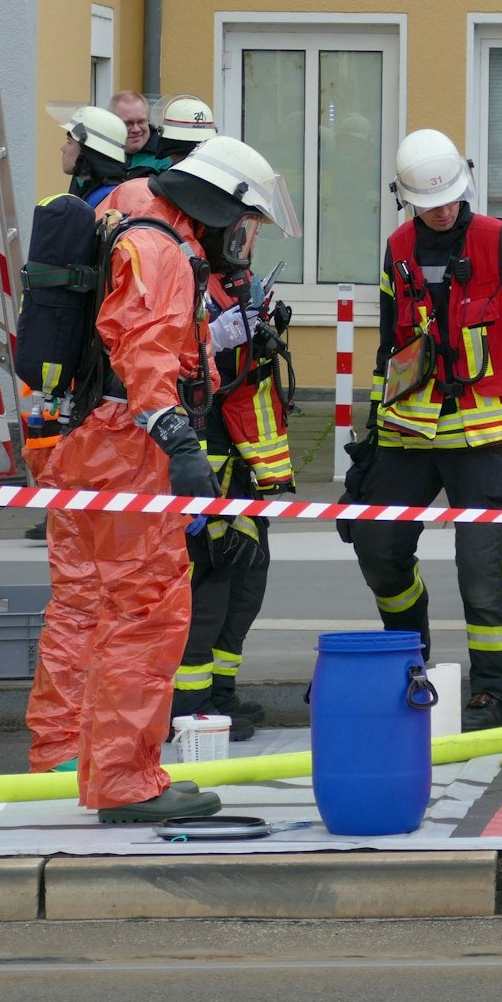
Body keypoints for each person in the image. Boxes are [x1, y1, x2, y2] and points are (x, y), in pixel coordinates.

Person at [43, 135, 299, 822]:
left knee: (84, 606)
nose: (240, 241)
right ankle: (125, 782)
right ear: (215, 207)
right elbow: (148, 357)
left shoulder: (130, 209)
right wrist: (180, 441)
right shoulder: (163, 255)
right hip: (127, 448)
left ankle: (66, 759)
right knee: (147, 611)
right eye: (241, 225)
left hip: (86, 439)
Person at [353, 129, 502, 731]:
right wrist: (371, 442)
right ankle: (408, 657)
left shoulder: (500, 243)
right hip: (409, 433)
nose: (443, 210)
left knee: (481, 566)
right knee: (378, 547)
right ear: (409, 200)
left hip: (487, 434)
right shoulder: (397, 248)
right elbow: (388, 349)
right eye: (430, 202)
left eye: (450, 197)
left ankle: (498, 692)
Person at [171, 242, 297, 738]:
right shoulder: (177, 270)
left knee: (247, 579)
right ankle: (190, 708)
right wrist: (213, 338)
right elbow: (163, 360)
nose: (245, 241)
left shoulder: (236, 278)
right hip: (202, 458)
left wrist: (262, 330)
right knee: (210, 588)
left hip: (240, 463)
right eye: (240, 228)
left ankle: (220, 694)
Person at [22, 105, 131, 545]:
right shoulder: (102, 202)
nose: (63, 145)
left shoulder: (99, 206)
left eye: (71, 138)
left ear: (87, 152)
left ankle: (73, 516)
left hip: (93, 366)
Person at [119, 91, 217, 178]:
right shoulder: (220, 175)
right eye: (128, 123)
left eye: (141, 122)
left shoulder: (163, 179)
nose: (136, 129)